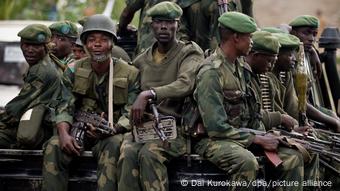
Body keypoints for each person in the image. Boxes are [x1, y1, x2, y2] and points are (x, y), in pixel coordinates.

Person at [194, 12, 307, 191]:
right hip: (213, 140)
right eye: (250, 37)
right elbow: (216, 128)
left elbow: (251, 112)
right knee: (246, 162)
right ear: (236, 38)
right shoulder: (211, 72)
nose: (253, 42)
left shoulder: (240, 68)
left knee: (293, 156)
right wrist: (257, 139)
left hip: (242, 135)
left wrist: (269, 135)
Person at [42, 14, 140, 191]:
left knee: (113, 146)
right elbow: (64, 105)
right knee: (54, 146)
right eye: (92, 39)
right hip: (80, 128)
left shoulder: (130, 73)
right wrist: (64, 134)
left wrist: (112, 129)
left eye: (103, 39)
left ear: (112, 43)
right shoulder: (73, 70)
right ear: (85, 44)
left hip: (111, 132)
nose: (97, 44)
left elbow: (131, 110)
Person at [117, 2, 203, 191]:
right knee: (127, 152)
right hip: (146, 126)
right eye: (158, 22)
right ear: (151, 26)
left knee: (150, 153)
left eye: (169, 22)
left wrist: (150, 94)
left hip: (176, 128)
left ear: (177, 25)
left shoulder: (189, 52)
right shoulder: (141, 60)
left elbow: (185, 83)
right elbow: (130, 93)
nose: (163, 27)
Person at [245, 31, 320, 187]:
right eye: (270, 60)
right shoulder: (246, 76)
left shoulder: (263, 77)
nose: (271, 65)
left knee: (311, 148)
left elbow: (286, 111)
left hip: (263, 133)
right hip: (250, 136)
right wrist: (281, 125)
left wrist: (291, 130)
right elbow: (253, 116)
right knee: (293, 157)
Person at [0, 24, 64, 149]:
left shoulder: (40, 71)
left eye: (36, 46)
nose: (30, 50)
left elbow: (17, 107)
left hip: (41, 128)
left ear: (46, 47)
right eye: (26, 45)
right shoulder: (49, 61)